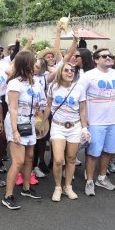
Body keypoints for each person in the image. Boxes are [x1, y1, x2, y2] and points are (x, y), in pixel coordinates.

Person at [79, 48, 115, 196]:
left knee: (108, 152)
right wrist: (83, 122)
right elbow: (79, 98)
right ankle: (90, 181)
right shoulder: (88, 76)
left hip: (112, 121)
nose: (109, 58)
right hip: (95, 122)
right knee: (93, 154)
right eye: (104, 56)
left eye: (110, 56)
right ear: (96, 60)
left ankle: (102, 178)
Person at [40, 62, 89, 201]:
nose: (69, 72)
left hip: (75, 127)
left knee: (71, 158)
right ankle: (57, 187)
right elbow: (48, 106)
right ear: (60, 72)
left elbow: (82, 110)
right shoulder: (53, 87)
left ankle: (68, 186)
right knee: (58, 159)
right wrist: (43, 123)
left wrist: (85, 128)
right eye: (66, 70)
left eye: (72, 70)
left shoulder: (79, 88)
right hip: (57, 126)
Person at [2, 50, 44, 210]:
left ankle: (26, 188)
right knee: (18, 161)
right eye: (33, 62)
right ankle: (8, 195)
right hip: (17, 122)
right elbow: (12, 108)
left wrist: (39, 123)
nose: (36, 64)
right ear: (26, 64)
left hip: (30, 121)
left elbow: (37, 105)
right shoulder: (15, 83)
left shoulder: (34, 83)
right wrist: (15, 131)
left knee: (29, 158)